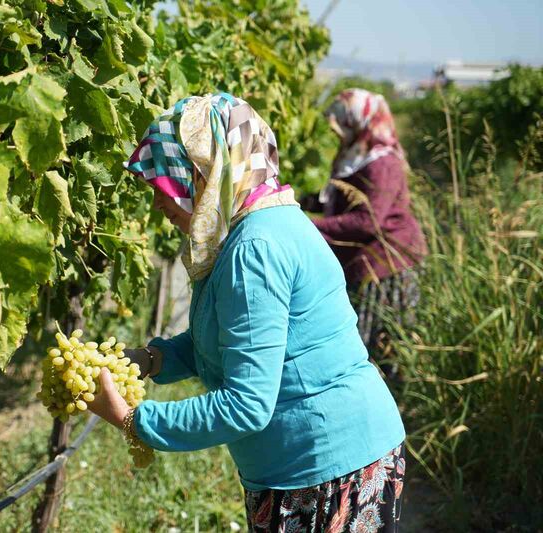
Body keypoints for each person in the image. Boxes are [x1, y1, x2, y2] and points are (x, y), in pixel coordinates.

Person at [89, 93, 406, 533]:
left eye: (165, 185)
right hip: (305, 466)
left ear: (205, 172)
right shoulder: (256, 227)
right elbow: (231, 339)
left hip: (326, 468)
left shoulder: (254, 248)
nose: (158, 204)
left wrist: (131, 420)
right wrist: (150, 360)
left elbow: (246, 405)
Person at [311, 89, 427, 376]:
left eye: (342, 120)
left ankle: (385, 405)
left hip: (385, 267)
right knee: (360, 343)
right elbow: (342, 198)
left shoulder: (382, 163)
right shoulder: (357, 155)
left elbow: (366, 221)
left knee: (376, 346)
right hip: (364, 265)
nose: (336, 129)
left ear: (360, 120)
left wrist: (309, 226)